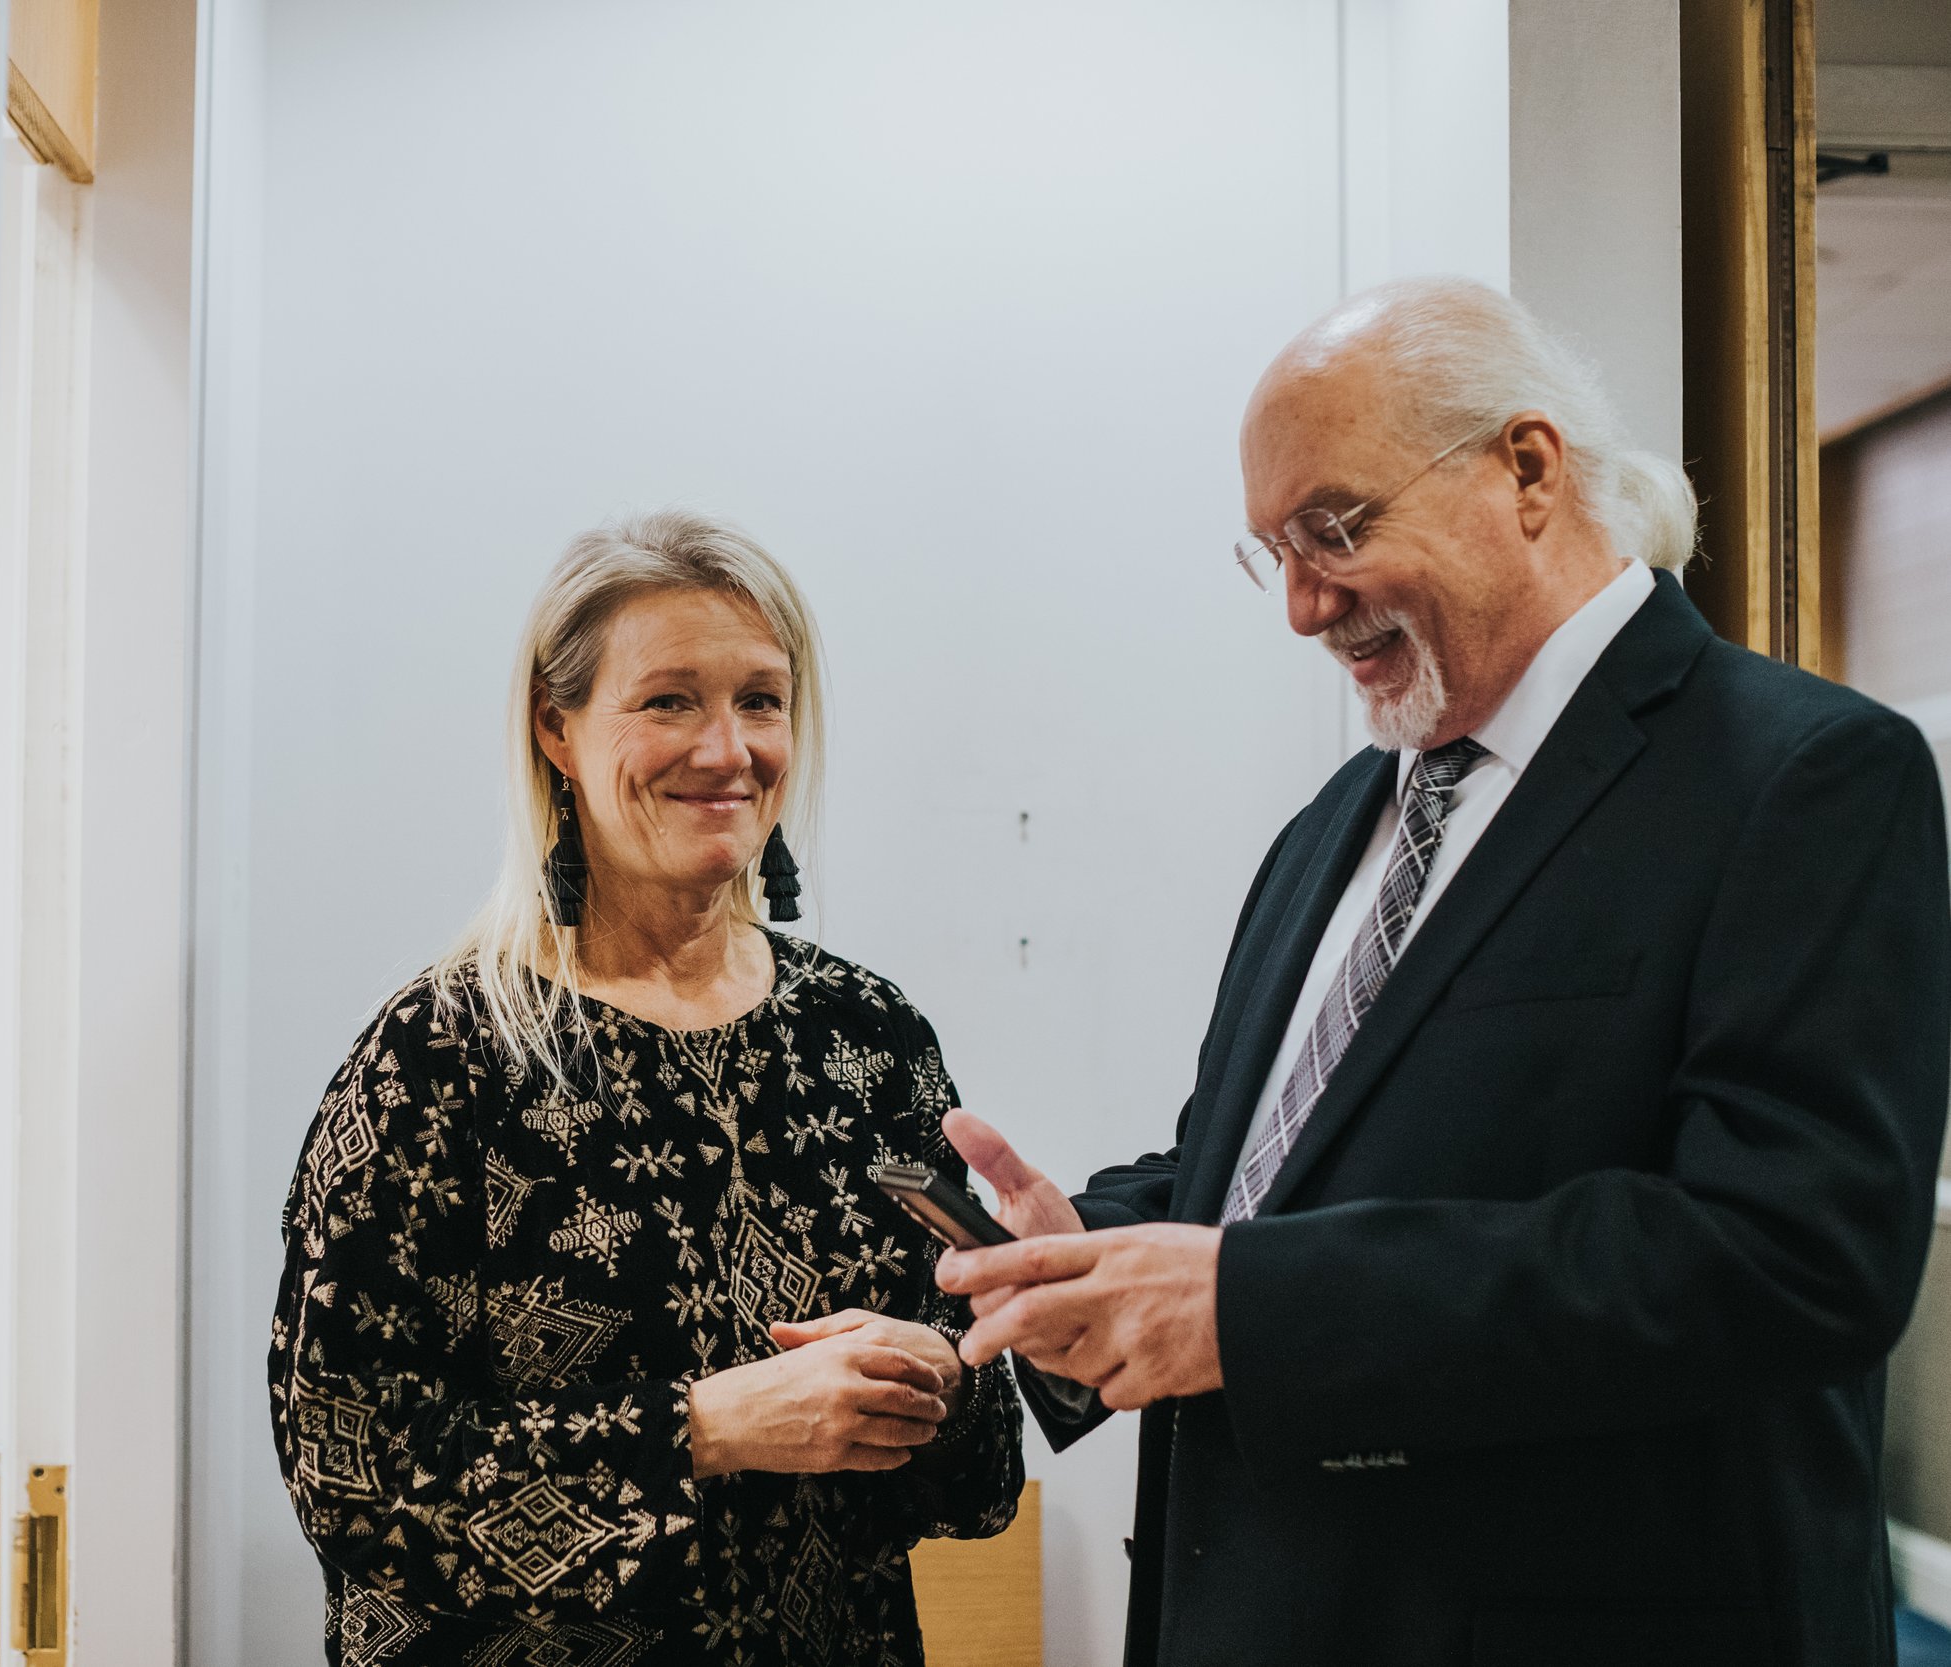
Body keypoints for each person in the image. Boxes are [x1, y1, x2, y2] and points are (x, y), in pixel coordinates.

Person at [936, 278, 1951, 1666]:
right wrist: (1082, 1258)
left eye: (1334, 529)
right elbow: (1268, 1175)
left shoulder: (1803, 775)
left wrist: (1244, 1303)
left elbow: (1791, 1254)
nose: (1301, 605)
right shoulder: (1335, 822)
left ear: (1526, 468)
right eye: (1270, 553)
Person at [270, 510, 1023, 1666]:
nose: (727, 750)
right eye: (669, 700)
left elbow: (981, 1482)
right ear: (555, 729)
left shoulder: (868, 1038)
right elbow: (350, 1474)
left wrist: (940, 1385)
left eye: (760, 700)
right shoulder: (439, 1058)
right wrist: (703, 1427)